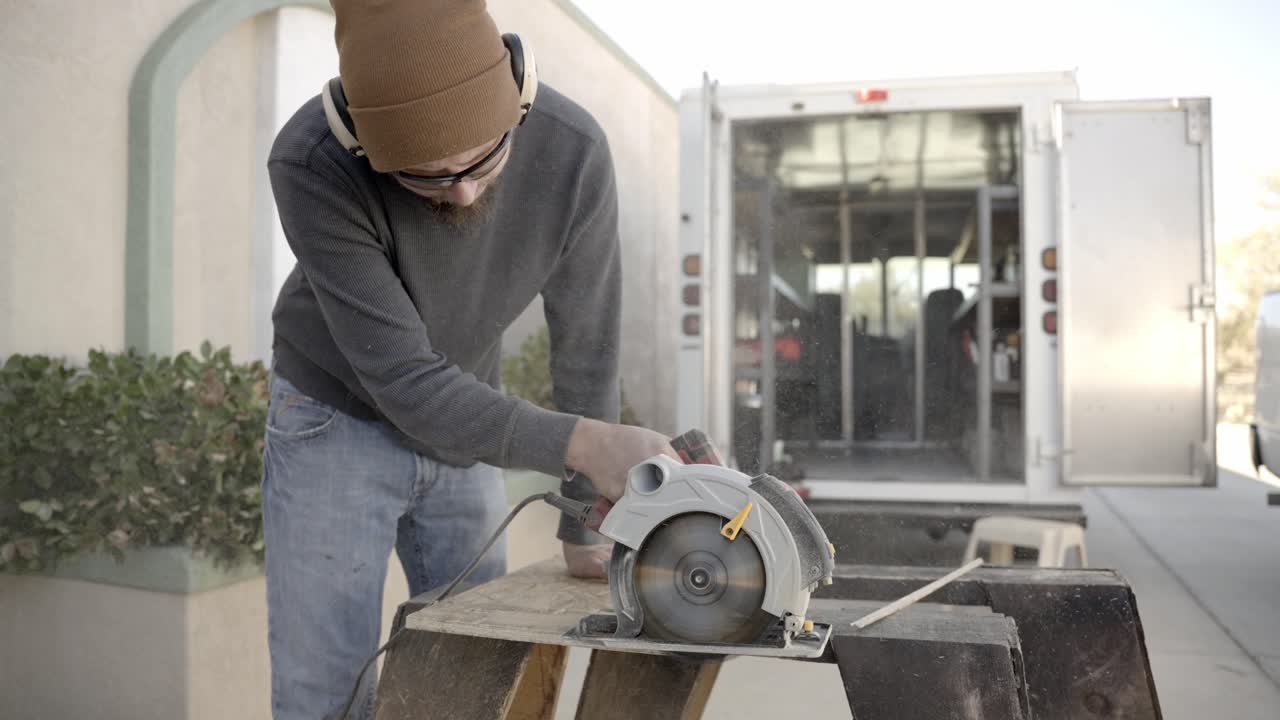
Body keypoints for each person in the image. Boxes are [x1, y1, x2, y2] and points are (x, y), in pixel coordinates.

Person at [261, 1, 675, 717]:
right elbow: (405, 381)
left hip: (467, 425)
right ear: (361, 141)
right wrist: (588, 444)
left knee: (480, 673)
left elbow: (587, 342)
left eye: (484, 159)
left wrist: (586, 517)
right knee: (328, 692)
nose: (463, 191)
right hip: (334, 420)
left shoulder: (572, 150)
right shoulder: (311, 163)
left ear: (518, 99)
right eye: (425, 176)